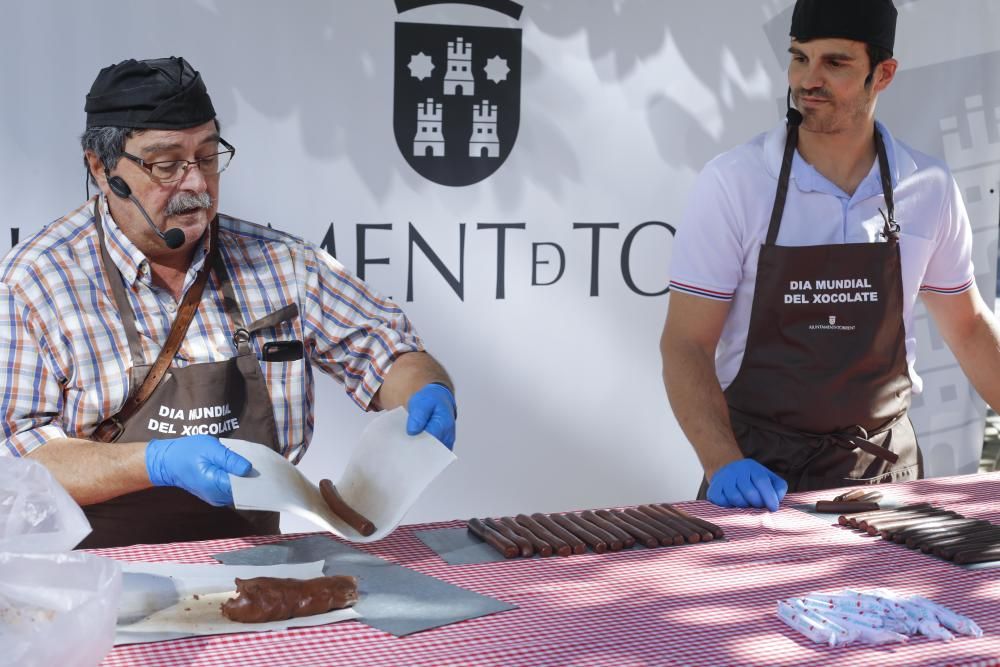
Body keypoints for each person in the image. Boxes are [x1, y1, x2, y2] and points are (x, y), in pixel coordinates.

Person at [0, 57, 457, 548]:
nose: (196, 183)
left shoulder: (282, 264)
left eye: (208, 157)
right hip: (98, 569)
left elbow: (384, 347)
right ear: (101, 167)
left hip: (256, 560)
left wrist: (424, 390)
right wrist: (155, 463)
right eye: (166, 163)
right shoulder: (36, 282)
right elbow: (16, 458)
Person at [661, 0, 1000, 511]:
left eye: (834, 63)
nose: (807, 80)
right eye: (800, 58)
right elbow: (685, 344)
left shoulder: (926, 187)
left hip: (883, 477)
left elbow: (970, 326)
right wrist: (723, 462)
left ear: (882, 74)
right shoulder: (735, 183)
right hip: (759, 475)